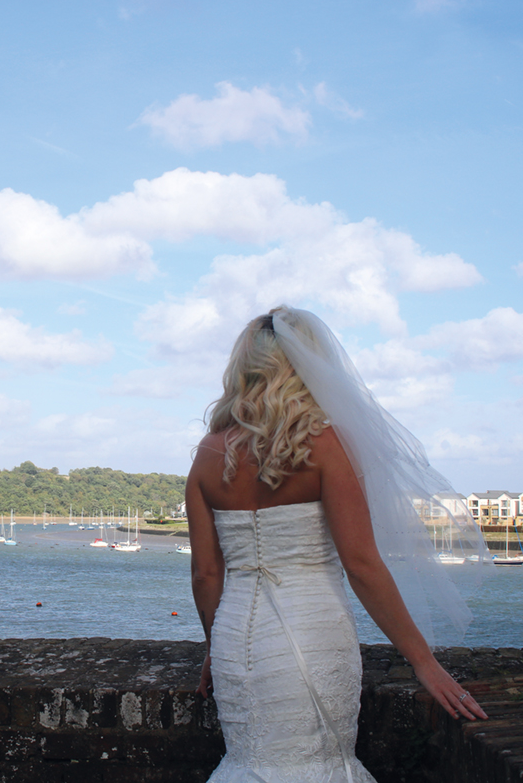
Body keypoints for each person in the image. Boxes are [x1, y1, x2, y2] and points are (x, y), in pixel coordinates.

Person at [187, 306, 487, 783]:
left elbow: (205, 575)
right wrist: (424, 663)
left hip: (233, 643)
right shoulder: (326, 444)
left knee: (252, 761)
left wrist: (212, 647)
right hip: (313, 633)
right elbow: (363, 564)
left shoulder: (208, 454)